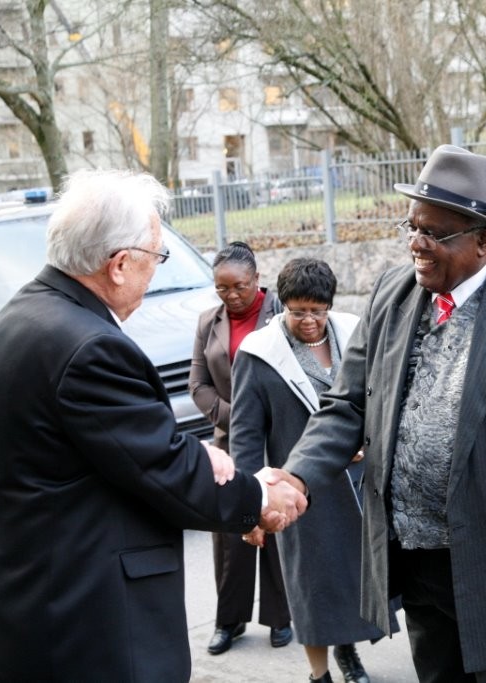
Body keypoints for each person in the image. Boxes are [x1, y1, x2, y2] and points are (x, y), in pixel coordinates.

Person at [270, 145, 486, 682]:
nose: (416, 245)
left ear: (485, 240)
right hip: (417, 556)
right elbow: (348, 403)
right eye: (412, 227)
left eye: (434, 233)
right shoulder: (393, 291)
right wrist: (294, 478)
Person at [0, 169, 306, 681]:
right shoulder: (89, 347)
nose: (156, 271)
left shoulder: (18, 318)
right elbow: (157, 468)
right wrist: (256, 497)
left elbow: (105, 451)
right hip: (93, 616)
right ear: (121, 264)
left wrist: (198, 455)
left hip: (38, 597)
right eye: (157, 256)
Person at [233, 258, 397, 683]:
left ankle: (349, 654)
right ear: (281, 306)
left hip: (358, 485)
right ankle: (318, 672)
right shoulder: (259, 354)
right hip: (299, 492)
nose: (309, 320)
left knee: (355, 578)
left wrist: (367, 440)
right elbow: (246, 436)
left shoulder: (353, 333)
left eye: (317, 310)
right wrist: (249, 506)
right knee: (313, 586)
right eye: (298, 310)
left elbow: (379, 397)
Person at [189, 240, 292, 654]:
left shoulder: (283, 315)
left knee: (273, 521)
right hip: (229, 443)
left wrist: (261, 421)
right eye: (222, 289)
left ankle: (280, 616)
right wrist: (240, 419)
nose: (231, 296)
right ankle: (228, 621)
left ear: (257, 280)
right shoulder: (206, 322)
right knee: (230, 531)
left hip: (277, 440)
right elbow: (198, 385)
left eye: (240, 287)